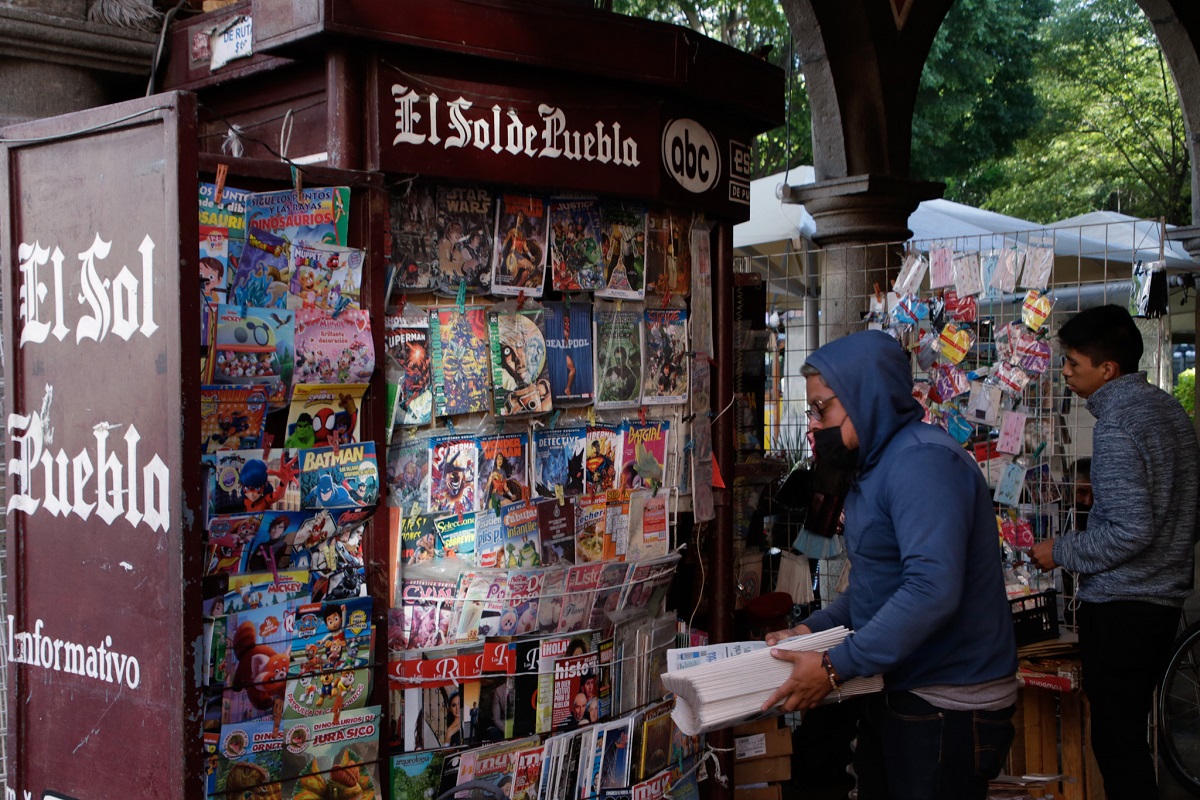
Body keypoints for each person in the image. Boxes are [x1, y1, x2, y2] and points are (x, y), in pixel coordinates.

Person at [762, 330, 1018, 800]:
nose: (814, 425)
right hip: (908, 688)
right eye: (811, 411)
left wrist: (836, 666)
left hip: (949, 701)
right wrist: (811, 632)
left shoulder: (921, 463)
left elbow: (930, 590)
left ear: (868, 398)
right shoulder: (874, 467)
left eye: (824, 409)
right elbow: (873, 589)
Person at [1029, 304, 1200, 798]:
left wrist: (1061, 550)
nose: (1064, 372)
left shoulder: (1118, 424)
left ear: (1108, 369)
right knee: (1127, 734)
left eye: (1072, 363)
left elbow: (1130, 531)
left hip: (1126, 605)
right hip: (1161, 600)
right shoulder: (1169, 409)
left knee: (1118, 742)